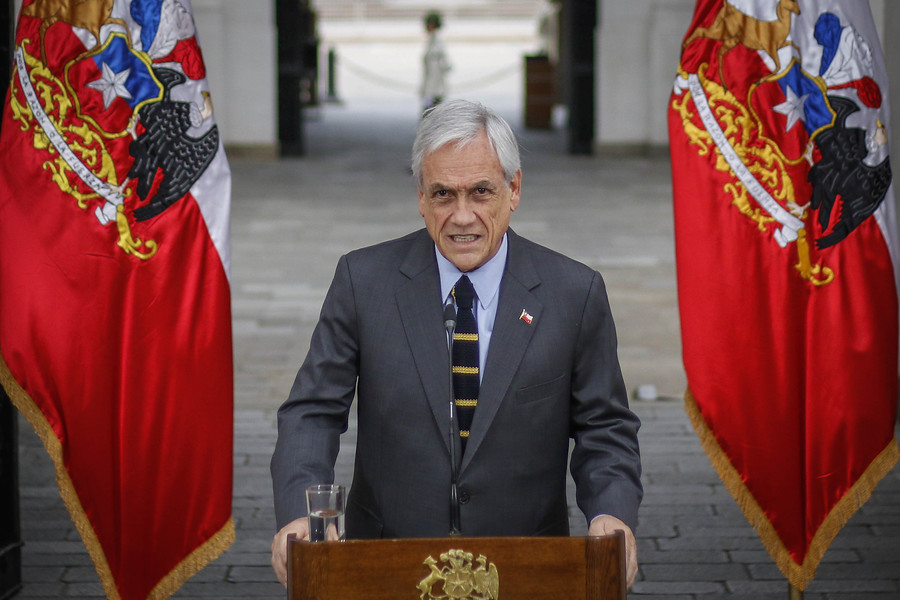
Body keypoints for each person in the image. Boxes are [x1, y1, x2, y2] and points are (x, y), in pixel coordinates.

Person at [270, 99, 643, 588]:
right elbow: (312, 411)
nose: (462, 216)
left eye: (481, 192)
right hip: (388, 566)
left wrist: (611, 514)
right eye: (443, 194)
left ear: (514, 189)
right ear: (421, 198)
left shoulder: (574, 293)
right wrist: (300, 513)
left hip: (525, 568)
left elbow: (605, 427)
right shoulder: (363, 282)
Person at [420, 11, 451, 111]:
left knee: (432, 110)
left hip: (435, 88)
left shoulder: (436, 41)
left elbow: (441, 64)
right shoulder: (432, 40)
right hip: (433, 87)